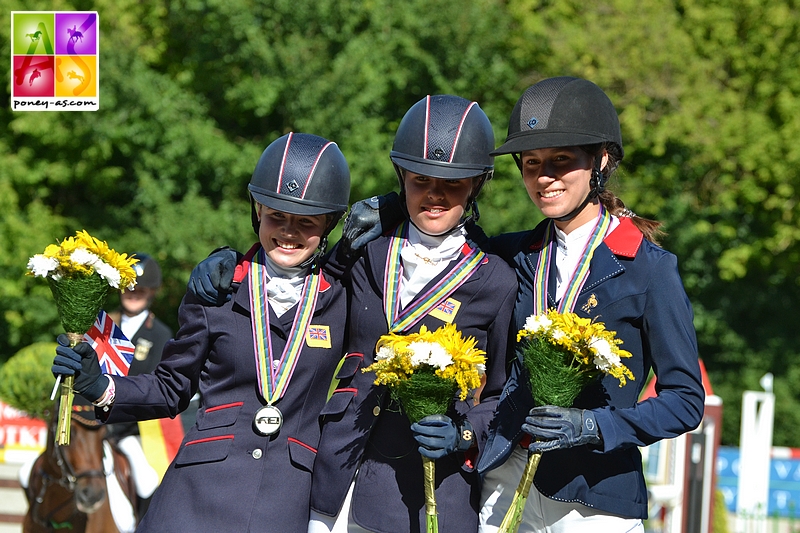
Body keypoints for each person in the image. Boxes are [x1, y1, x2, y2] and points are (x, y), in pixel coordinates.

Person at [335, 77, 705, 532]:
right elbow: (440, 226)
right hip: (502, 483)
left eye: (561, 161)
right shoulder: (513, 255)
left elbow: (686, 401)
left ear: (602, 161)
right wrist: (392, 206)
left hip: (593, 497)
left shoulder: (649, 269)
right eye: (532, 164)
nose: (544, 178)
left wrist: (596, 426)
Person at [188, 95, 519, 533]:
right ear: (402, 177)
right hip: (334, 479)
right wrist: (231, 258)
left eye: (452, 184)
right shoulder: (366, 251)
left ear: (476, 185)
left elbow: (498, 394)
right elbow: (298, 279)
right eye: (421, 179)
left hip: (426, 493)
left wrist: (464, 432)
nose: (435, 194)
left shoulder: (494, 279)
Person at [51, 132, 351, 532]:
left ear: (328, 223)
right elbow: (171, 386)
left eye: (306, 222)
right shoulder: (218, 289)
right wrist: (102, 386)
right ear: (257, 210)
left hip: (286, 496)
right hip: (197, 494)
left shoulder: (343, 298)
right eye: (276, 215)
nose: (288, 231)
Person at [105, 253, 173, 517]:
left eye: (141, 290)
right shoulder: (103, 325)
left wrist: (117, 427)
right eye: (129, 288)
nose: (134, 294)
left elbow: (154, 388)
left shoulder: (160, 334)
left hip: (131, 430)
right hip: (90, 426)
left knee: (146, 481)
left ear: (152, 293)